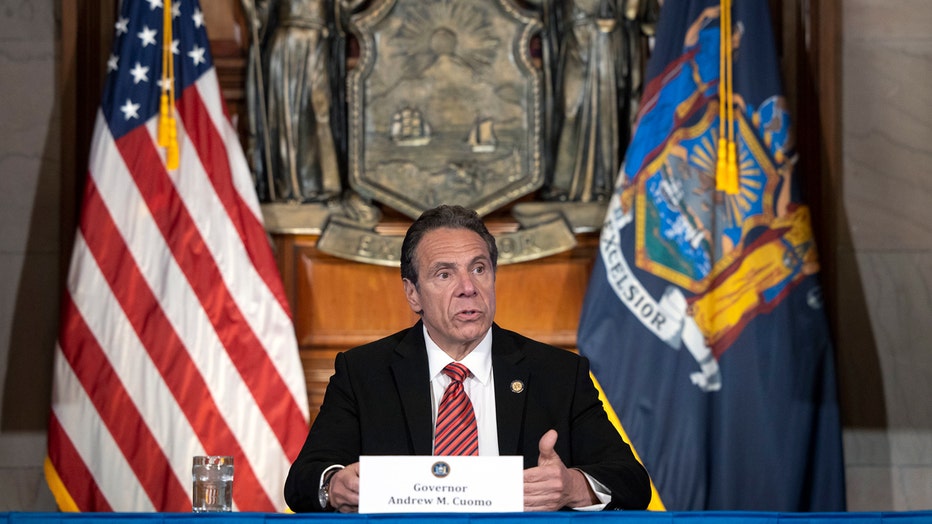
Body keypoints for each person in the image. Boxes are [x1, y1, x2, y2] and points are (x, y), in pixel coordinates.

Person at [283, 205, 652, 512]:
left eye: (479, 268)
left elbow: (631, 482)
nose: (468, 288)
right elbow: (303, 482)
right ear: (413, 294)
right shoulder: (364, 373)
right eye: (445, 274)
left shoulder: (557, 374)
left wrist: (573, 486)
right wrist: (334, 486)